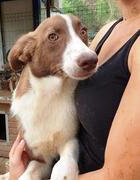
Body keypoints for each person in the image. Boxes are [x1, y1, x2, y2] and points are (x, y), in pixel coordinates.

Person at [8, 0, 140, 179]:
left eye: (82, 32)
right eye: (53, 37)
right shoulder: (107, 31)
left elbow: (121, 174)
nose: (89, 56)